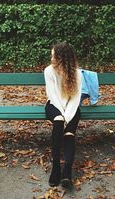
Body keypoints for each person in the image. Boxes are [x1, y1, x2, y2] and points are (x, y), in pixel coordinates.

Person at [44, 42, 82, 188]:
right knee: (58, 121)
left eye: (54, 56)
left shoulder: (77, 73)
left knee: (69, 133)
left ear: (62, 58)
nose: (51, 58)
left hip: (72, 108)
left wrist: (68, 116)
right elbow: (52, 96)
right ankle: (56, 167)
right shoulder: (48, 71)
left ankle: (67, 171)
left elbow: (75, 99)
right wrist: (63, 116)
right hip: (54, 105)